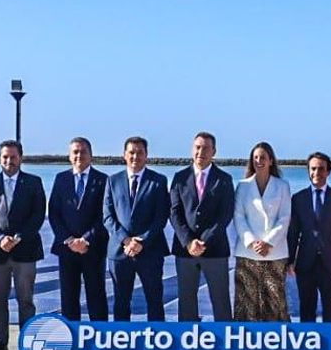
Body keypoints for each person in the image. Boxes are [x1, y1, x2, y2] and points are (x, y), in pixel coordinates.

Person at [0, 140, 47, 350]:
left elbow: (38, 215)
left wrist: (18, 237)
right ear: (0, 159)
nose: (9, 161)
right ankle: (1, 341)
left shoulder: (34, 182)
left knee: (26, 300)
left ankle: (27, 342)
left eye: (13, 157)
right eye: (5, 157)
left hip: (25, 251)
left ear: (21, 158)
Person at [168, 132, 235, 321]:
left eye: (206, 148)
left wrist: (203, 241)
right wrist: (189, 241)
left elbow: (225, 214)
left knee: (221, 302)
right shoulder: (179, 177)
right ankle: (188, 344)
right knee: (186, 302)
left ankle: (224, 343)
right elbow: (174, 212)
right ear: (192, 150)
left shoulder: (224, 179)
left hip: (215, 249)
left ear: (214, 151)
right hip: (185, 250)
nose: (201, 152)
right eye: (197, 147)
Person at [103, 136, 171, 321]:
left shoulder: (158, 181)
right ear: (124, 155)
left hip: (150, 251)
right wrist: (126, 240)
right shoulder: (112, 181)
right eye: (131, 152)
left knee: (155, 300)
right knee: (121, 301)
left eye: (140, 152)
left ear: (146, 155)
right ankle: (122, 343)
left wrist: (141, 241)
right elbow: (108, 217)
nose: (135, 156)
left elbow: (161, 217)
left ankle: (157, 344)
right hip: (120, 251)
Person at [48, 137, 109, 322]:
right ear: (69, 156)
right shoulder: (61, 179)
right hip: (67, 249)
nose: (79, 156)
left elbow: (104, 215)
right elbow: (54, 213)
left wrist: (86, 239)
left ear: (91, 155)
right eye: (75, 152)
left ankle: (99, 340)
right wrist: (69, 240)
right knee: (68, 297)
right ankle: (71, 340)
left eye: (83, 152)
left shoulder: (103, 180)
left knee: (96, 296)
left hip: (93, 248)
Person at [234, 141, 293, 321]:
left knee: (275, 301)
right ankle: (246, 341)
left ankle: (276, 341)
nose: (259, 161)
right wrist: (252, 241)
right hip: (248, 253)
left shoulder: (282, 186)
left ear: (271, 161)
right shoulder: (243, 186)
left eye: (263, 158)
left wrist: (268, 242)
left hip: (275, 252)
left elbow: (285, 218)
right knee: (247, 301)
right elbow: (238, 216)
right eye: (256, 158)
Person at [287, 153, 331, 324]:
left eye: (321, 169)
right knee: (306, 309)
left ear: (328, 171)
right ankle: (309, 349)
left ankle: (330, 349)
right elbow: (293, 233)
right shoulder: (298, 199)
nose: (316, 172)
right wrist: (290, 261)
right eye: (313, 169)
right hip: (305, 263)